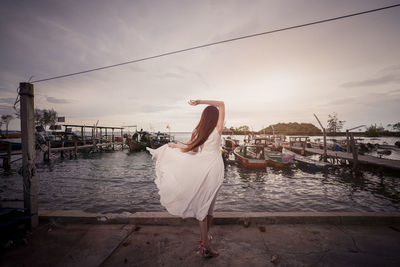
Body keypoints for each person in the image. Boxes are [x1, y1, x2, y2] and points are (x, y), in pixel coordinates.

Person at [147, 99, 225, 257]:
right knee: (207, 208)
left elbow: (193, 151)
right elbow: (221, 104)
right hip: (216, 170)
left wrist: (176, 147)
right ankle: (206, 245)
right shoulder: (218, 129)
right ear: (215, 117)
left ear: (203, 117)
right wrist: (200, 101)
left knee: (208, 207)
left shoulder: (198, 131)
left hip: (203, 169)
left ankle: (205, 237)